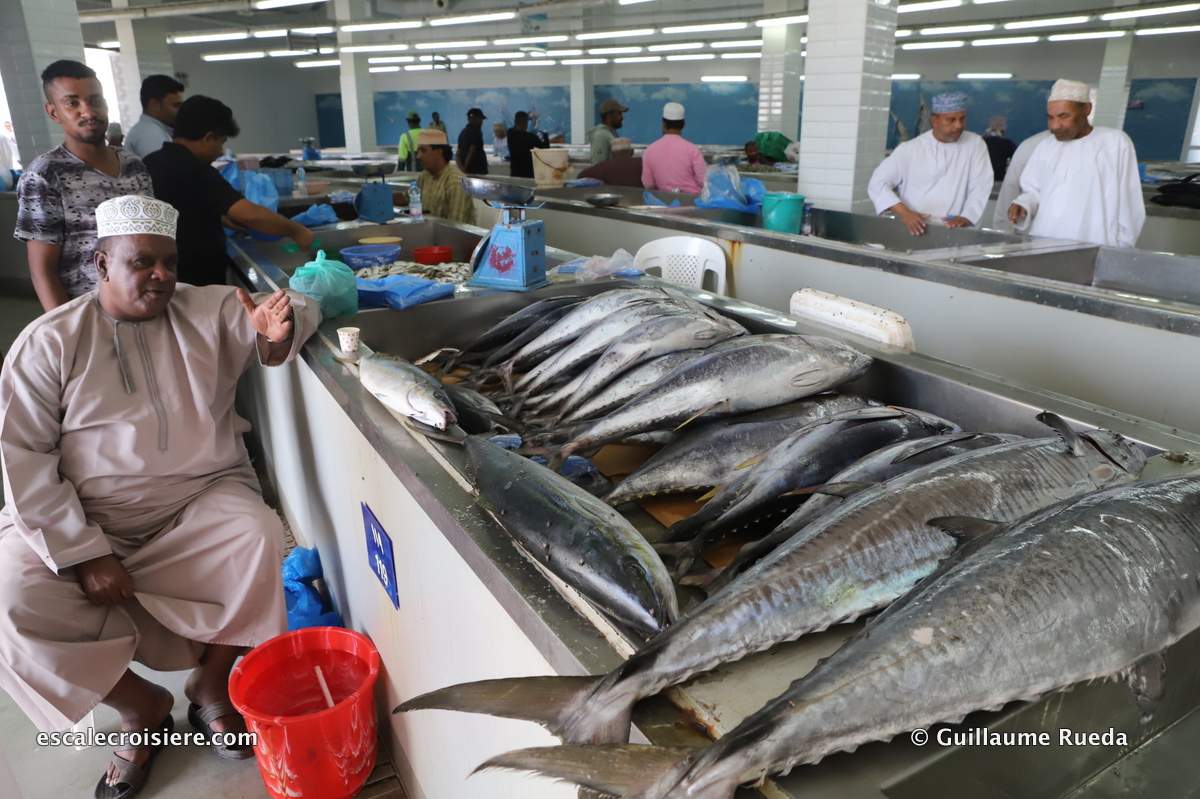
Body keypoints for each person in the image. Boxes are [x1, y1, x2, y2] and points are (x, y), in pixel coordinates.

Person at [0, 193, 318, 799]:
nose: (161, 276)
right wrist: (84, 552)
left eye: (169, 262)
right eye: (142, 262)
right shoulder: (49, 341)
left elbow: (298, 305)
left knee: (256, 533)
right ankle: (140, 708)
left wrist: (278, 337)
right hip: (84, 516)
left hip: (199, 497)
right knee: (8, 597)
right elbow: (23, 458)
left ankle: (210, 684)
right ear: (101, 264)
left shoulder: (211, 308)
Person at [14, 59, 154, 312]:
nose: (88, 112)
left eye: (95, 101)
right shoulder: (45, 175)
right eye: (72, 103)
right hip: (89, 312)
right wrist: (67, 326)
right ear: (53, 112)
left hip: (145, 305)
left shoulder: (133, 165)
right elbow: (43, 270)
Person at [144, 95, 313, 286]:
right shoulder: (197, 170)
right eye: (221, 143)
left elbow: (178, 209)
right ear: (208, 138)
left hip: (161, 278)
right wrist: (297, 231)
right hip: (197, 282)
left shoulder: (150, 162)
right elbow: (251, 215)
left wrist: (216, 217)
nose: (221, 152)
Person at [1008, 79, 1145, 248]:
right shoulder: (1045, 146)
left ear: (1086, 109)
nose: (1055, 125)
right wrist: (1023, 204)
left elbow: (1129, 202)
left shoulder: (1114, 143)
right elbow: (1033, 191)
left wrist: (1121, 248)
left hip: (1095, 244)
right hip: (1043, 242)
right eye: (1050, 117)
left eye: (1064, 116)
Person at [867, 92, 992, 236]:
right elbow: (878, 183)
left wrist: (967, 217)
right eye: (951, 120)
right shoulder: (910, 149)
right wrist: (905, 213)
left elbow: (980, 186)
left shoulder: (975, 144)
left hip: (957, 232)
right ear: (935, 120)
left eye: (962, 118)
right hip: (914, 230)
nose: (958, 125)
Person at [992, 129, 1053, 231]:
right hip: (1029, 230)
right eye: (1051, 120)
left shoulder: (1085, 149)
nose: (1056, 125)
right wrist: (1003, 230)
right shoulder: (1031, 146)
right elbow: (1010, 189)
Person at [641, 102, 707, 195]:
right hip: (691, 200)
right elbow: (703, 180)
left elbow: (648, 184)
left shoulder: (649, 151)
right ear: (683, 125)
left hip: (663, 201)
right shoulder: (692, 150)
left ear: (663, 124)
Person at [416, 128, 476, 226]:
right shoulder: (426, 175)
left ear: (438, 152)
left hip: (453, 235)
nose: (418, 156)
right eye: (419, 150)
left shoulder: (454, 181)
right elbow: (407, 197)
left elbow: (455, 226)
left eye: (423, 150)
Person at [124, 75, 184, 160]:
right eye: (176, 106)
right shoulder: (150, 134)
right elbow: (164, 167)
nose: (181, 111)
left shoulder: (150, 130)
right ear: (154, 105)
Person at [577, 138, 642, 188]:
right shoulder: (641, 163)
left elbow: (581, 176)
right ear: (632, 152)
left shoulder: (604, 166)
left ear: (612, 154)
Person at [506, 111, 550, 180]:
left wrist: (525, 118)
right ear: (526, 124)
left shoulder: (510, 133)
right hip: (528, 173)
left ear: (515, 121)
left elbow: (514, 127)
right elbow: (545, 147)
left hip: (515, 172)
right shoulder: (531, 137)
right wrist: (545, 136)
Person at [588, 98, 627, 164]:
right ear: (609, 116)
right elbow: (598, 166)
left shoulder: (610, 134)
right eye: (619, 113)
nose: (622, 117)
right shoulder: (601, 136)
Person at [982, 116, 1017, 181]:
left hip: (980, 182)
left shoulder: (978, 143)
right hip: (998, 182)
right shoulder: (1007, 144)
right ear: (1003, 131)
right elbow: (1017, 162)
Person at [456, 107, 488, 176]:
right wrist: (465, 167)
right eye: (481, 119)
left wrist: (462, 168)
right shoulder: (476, 132)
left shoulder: (462, 133)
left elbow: (458, 154)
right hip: (477, 171)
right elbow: (472, 152)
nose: (482, 122)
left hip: (466, 172)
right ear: (476, 118)